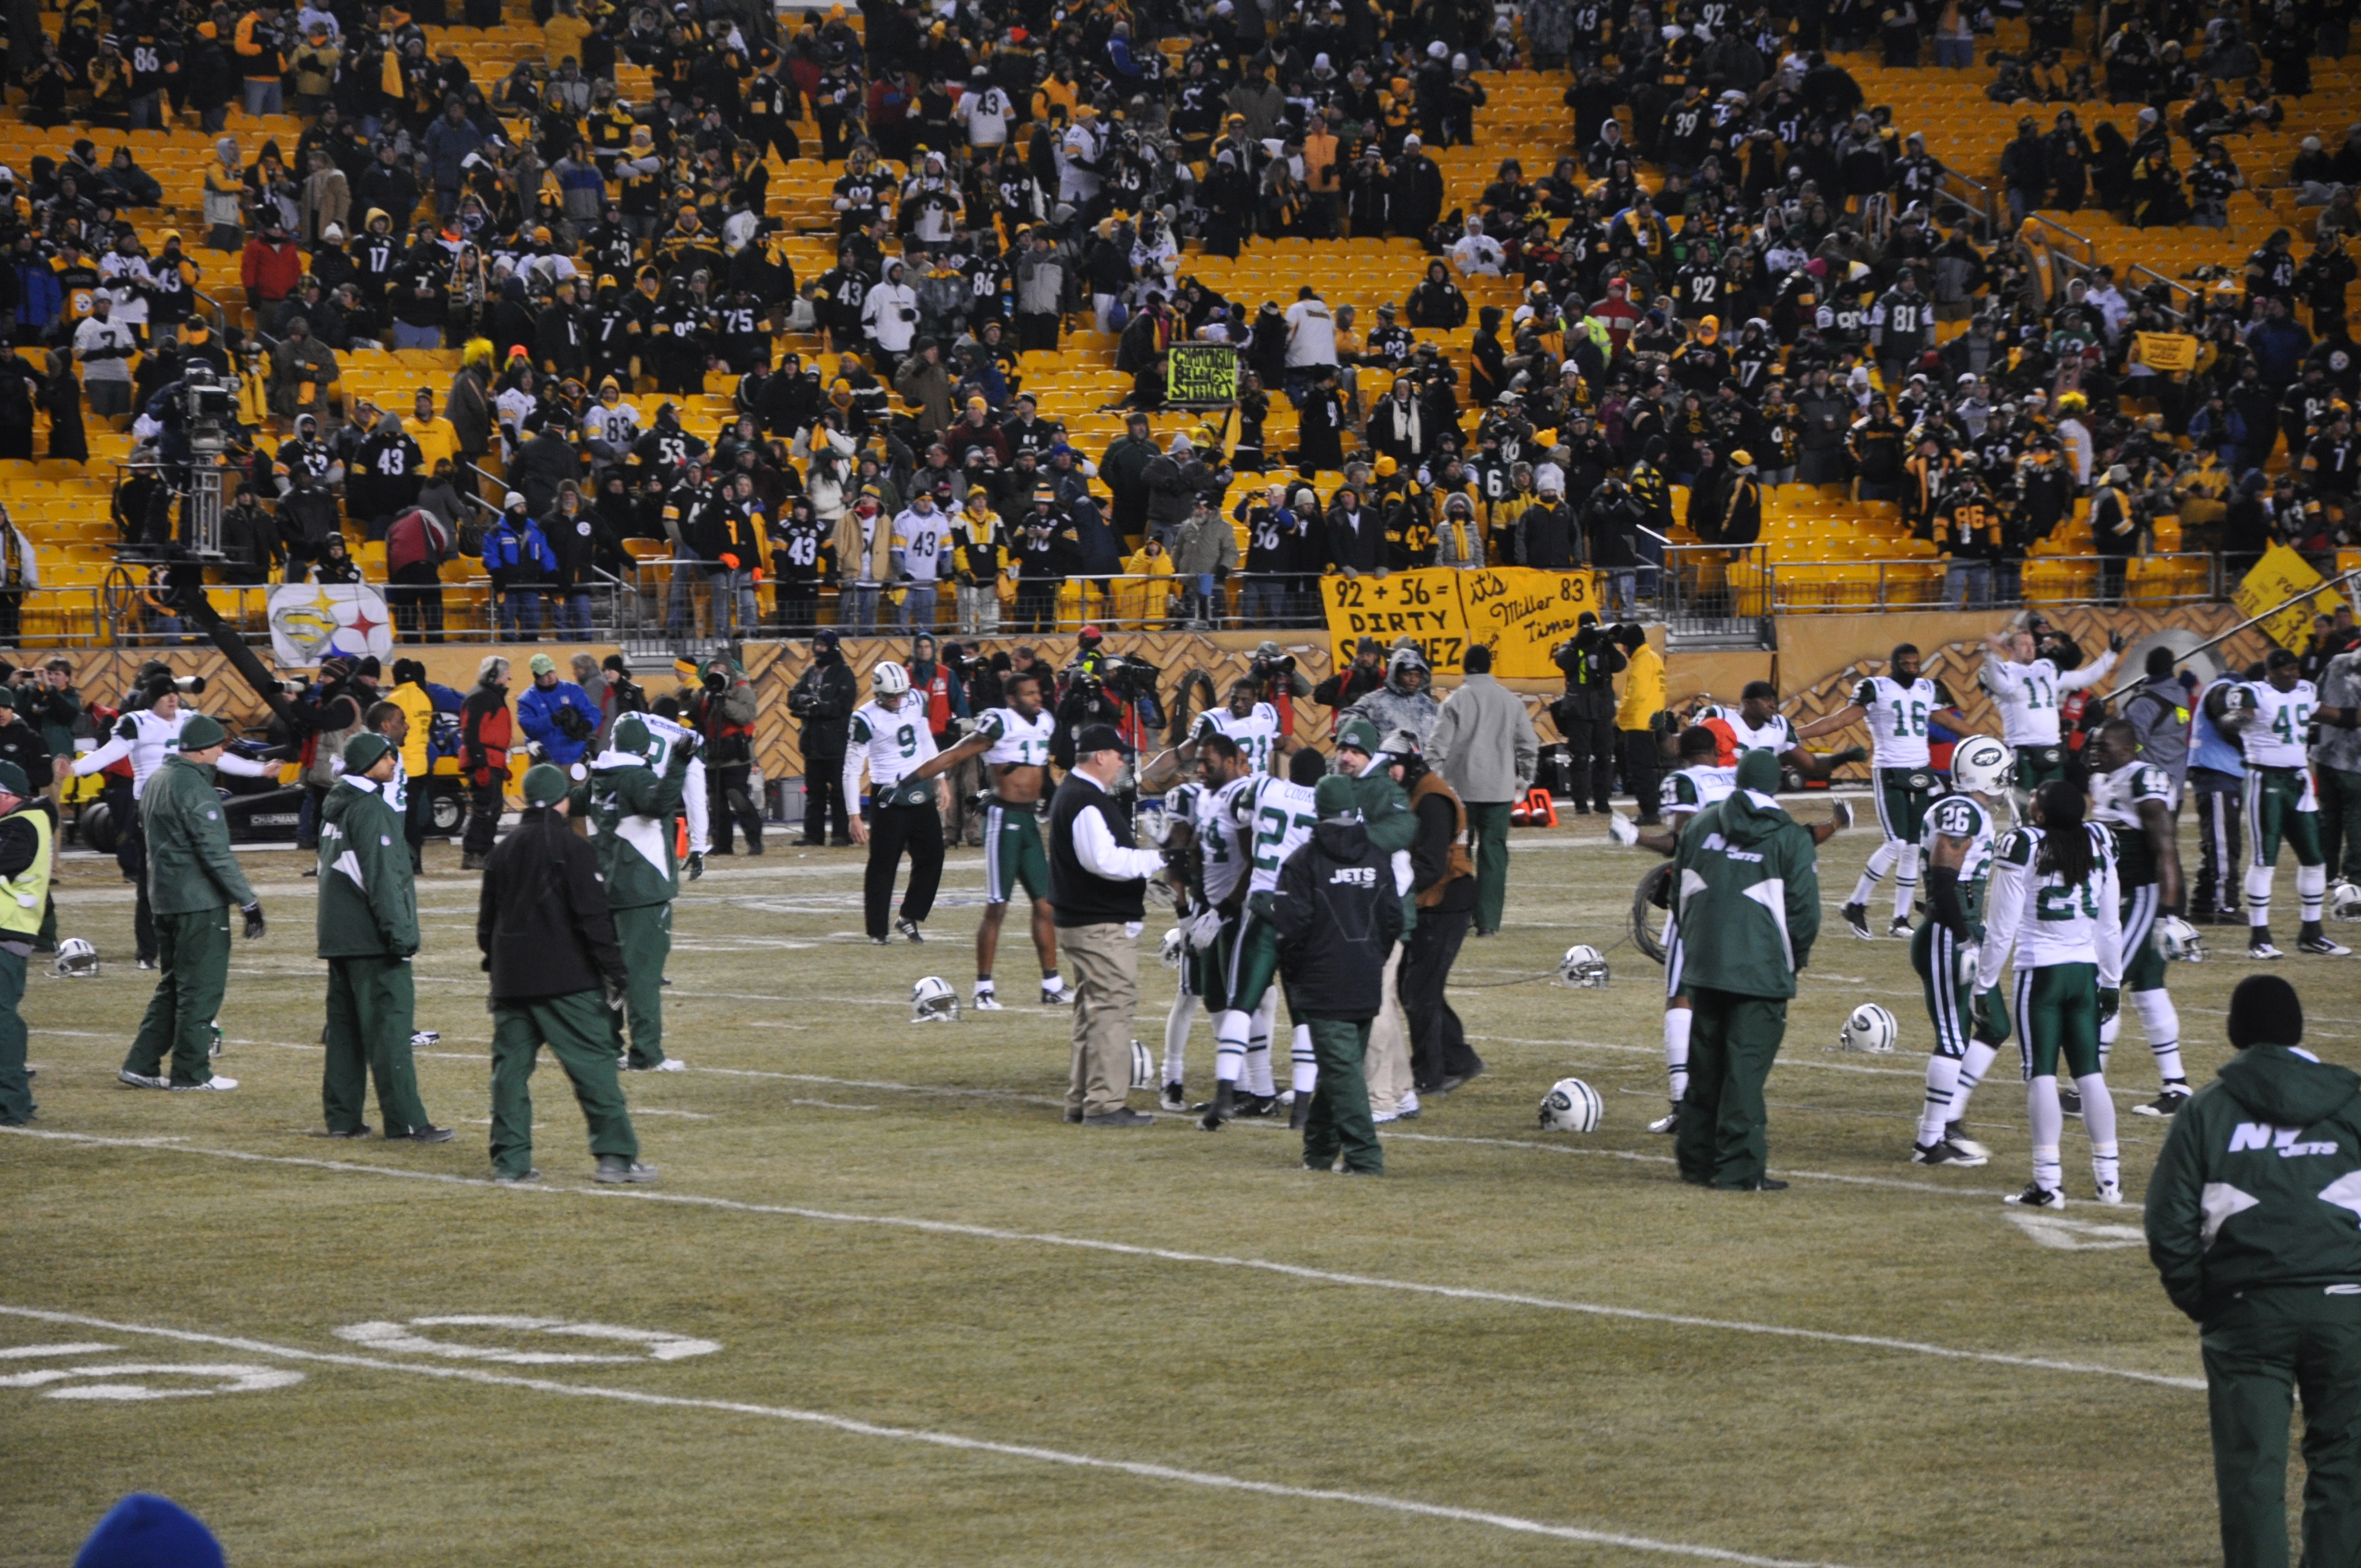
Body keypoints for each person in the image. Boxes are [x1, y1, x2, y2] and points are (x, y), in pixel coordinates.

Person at [2144, 973, 2361, 1568]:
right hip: (2347, 1306)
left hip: (2246, 1312)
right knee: (2346, 1467)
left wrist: (2206, 1299)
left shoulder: (2207, 1110)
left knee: (2250, 1474)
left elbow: (2167, 1223)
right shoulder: (2351, 1100)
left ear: (2235, 1033)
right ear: (2298, 1030)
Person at [477, 762, 650, 1186]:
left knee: (509, 1076)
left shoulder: (502, 850)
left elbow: (486, 926)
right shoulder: (573, 848)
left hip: (512, 982)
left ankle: (511, 1163)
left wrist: (498, 968)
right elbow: (593, 918)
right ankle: (616, 1157)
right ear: (564, 799)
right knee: (595, 1069)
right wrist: (616, 972)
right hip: (566, 981)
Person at [1668, 748, 1819, 1190]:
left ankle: (1697, 1161)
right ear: (1777, 784)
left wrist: (1696, 945)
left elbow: (1678, 892)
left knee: (1705, 1067)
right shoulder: (1790, 836)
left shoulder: (1700, 825)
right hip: (1760, 968)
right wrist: (1794, 960)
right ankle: (1739, 1168)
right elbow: (1805, 913)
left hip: (1705, 964)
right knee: (1744, 1072)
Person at [1972, 780, 2126, 1208]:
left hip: (2040, 972)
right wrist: (2111, 981)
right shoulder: (2099, 840)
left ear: (2040, 814)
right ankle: (2109, 1182)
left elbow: (2001, 928)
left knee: (2040, 1073)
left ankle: (2048, 1184)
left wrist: (1984, 983)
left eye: (2036, 797)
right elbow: (2110, 925)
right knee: (2089, 1073)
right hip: (2084, 972)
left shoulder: (2024, 845)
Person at [1265, 771, 1405, 1174]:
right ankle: (1319, 1150)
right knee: (1340, 1068)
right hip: (1365, 979)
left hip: (1323, 983)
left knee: (1342, 1072)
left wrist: (1298, 973)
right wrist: (1372, 958)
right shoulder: (1377, 857)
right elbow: (1393, 920)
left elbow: (1291, 928)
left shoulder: (1303, 862)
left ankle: (1364, 1157)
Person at [903, 667, 1066, 1010]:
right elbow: (954, 755)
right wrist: (908, 781)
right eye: (1029, 694)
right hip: (1004, 820)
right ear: (1011, 700)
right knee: (997, 907)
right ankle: (983, 990)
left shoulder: (1046, 722)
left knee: (1045, 904)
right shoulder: (999, 723)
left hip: (1029, 821)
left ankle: (1052, 984)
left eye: (1038, 692)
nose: (1037, 698)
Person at [116, 714, 260, 1093]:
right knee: (200, 989)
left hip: (163, 899)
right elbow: (214, 852)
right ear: (200, 751)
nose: (221, 753)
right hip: (197, 902)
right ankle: (191, 1073)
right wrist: (247, 901)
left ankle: (141, 1063)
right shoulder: (194, 788)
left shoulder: (157, 779)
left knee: (173, 986)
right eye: (217, 747)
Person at [315, 732, 448, 1142]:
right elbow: (383, 878)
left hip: (339, 936)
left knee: (345, 1034)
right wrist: (401, 935)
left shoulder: (336, 806)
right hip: (370, 938)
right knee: (390, 1031)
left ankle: (343, 1118)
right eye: (388, 756)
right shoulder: (370, 808)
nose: (394, 762)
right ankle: (406, 1121)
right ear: (369, 762)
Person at [1799, 643, 1966, 939]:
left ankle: (1900, 919)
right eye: (1906, 664)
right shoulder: (1876, 688)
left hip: (1920, 771)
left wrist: (1990, 740)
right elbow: (1839, 720)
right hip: (1890, 770)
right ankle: (1855, 904)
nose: (1911, 670)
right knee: (1896, 844)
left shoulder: (1927, 689)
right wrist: (1795, 733)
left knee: (1913, 847)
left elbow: (1950, 722)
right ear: (1894, 664)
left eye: (1916, 665)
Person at [1047, 722, 1167, 1127]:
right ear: (1100, 757)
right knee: (1112, 1008)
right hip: (1097, 924)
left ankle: (1082, 1099)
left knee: (1092, 1012)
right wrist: (1159, 860)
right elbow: (1103, 860)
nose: (1121, 764)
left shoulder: (1078, 794)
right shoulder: (1084, 799)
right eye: (1118, 756)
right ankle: (1105, 1104)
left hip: (1087, 920)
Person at [1199, 746, 1325, 1129]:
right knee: (1304, 1016)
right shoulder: (1330, 801)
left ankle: (1225, 1097)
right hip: (1304, 913)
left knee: (1241, 1005)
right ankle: (1302, 1109)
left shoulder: (1266, 788)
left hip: (1265, 905)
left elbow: (1239, 820)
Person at [1908, 734, 2011, 1167]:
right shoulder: (1961, 810)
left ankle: (1949, 1117)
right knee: (1952, 1039)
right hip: (1948, 935)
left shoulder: (1970, 810)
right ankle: (1929, 1143)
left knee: (1996, 1025)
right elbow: (1944, 883)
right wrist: (1964, 939)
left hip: (1965, 930)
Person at [2087, 717, 2194, 1118]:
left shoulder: (2144, 779)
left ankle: (2086, 1087)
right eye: (2094, 745)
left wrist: (2169, 915)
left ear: (2128, 750)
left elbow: (2166, 848)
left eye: (2104, 747)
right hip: (2114, 895)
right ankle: (2176, 1087)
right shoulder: (2103, 778)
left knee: (2104, 982)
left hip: (2141, 894)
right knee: (2148, 990)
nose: (2096, 753)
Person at [2219, 650, 2349, 959]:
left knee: (2315, 859)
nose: (2294, 675)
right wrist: (2237, 719)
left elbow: (2333, 715)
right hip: (2266, 780)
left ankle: (2312, 934)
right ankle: (2259, 938)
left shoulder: (2305, 690)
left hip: (2299, 781)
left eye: (2296, 669)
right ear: (2272, 672)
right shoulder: (2252, 692)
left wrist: (2352, 716)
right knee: (2265, 860)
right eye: (2287, 670)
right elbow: (2233, 719)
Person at [586, 714, 697, 1074]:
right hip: (642, 889)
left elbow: (569, 801)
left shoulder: (599, 780)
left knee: (611, 975)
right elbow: (658, 804)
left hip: (608, 885)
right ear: (645, 747)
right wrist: (679, 764)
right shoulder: (636, 777)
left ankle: (607, 1046)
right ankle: (647, 1053)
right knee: (642, 976)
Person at [1423, 643, 1538, 938]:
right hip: (1499, 791)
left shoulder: (1454, 701)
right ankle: (1488, 921)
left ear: (1464, 667)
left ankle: (1459, 915)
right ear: (1490, 666)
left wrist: (1436, 782)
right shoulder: (1510, 701)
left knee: (1458, 853)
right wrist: (1524, 779)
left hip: (1460, 791)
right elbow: (1528, 744)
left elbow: (1436, 747)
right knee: (1494, 854)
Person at [1394, 731, 1482, 1096]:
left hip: (1446, 902)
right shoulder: (1422, 791)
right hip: (1436, 901)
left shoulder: (1431, 799)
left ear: (1411, 764)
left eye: (1394, 765)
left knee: (1419, 990)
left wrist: (1393, 890)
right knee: (1414, 987)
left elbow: (1431, 865)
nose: (1390, 773)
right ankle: (1458, 1058)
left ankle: (1430, 1074)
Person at [846, 661, 950, 943]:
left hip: (919, 786)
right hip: (888, 793)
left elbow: (926, 740)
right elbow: (852, 769)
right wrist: (854, 815)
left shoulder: (915, 699)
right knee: (884, 864)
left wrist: (940, 779)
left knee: (933, 856)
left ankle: (909, 916)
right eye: (892, 695)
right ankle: (877, 931)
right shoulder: (865, 718)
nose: (898, 700)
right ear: (878, 693)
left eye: (900, 693)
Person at [1981, 624, 2121, 792]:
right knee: (2023, 803)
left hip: (2052, 746)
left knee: (2054, 801)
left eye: (2032, 644)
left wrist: (2111, 654)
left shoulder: (2046, 667)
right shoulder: (2003, 670)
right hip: (2022, 747)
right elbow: (2001, 686)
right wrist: (1991, 655)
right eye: (2024, 644)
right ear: (2010, 649)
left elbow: (2083, 678)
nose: (2030, 649)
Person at [0, 761, 49, 1126]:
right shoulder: (22, 822)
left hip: (6, 933)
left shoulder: (21, 826)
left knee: (2, 1023)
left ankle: (12, 1104)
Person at [1551, 614, 1625, 815]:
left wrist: (1608, 646)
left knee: (1605, 757)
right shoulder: (1571, 646)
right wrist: (1577, 642)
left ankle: (1603, 801)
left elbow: (1620, 664)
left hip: (1602, 711)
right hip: (1579, 712)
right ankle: (1581, 803)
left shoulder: (1603, 648)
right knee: (1580, 758)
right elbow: (1562, 661)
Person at [789, 631, 857, 846]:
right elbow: (792, 696)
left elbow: (844, 705)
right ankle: (813, 835)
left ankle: (841, 835)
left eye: (823, 645)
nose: (819, 649)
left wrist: (819, 707)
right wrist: (805, 700)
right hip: (813, 743)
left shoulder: (844, 673)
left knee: (839, 792)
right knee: (814, 793)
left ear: (833, 647)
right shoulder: (810, 673)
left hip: (836, 743)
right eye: (816, 644)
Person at [459, 656, 514, 870]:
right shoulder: (483, 697)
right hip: (486, 760)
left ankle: (482, 851)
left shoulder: (485, 696)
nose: (509, 678)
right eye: (506, 674)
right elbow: (472, 733)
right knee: (486, 808)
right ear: (496, 675)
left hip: (490, 759)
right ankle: (475, 852)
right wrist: (481, 763)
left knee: (492, 808)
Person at [1612, 623, 1667, 825]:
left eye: (1624, 645)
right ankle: (1653, 809)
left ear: (1631, 645)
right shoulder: (1655, 658)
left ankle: (1649, 812)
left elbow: (1636, 695)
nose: (1623, 650)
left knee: (1640, 771)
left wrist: (1620, 715)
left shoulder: (1642, 662)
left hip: (1638, 724)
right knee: (1649, 770)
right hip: (1652, 723)